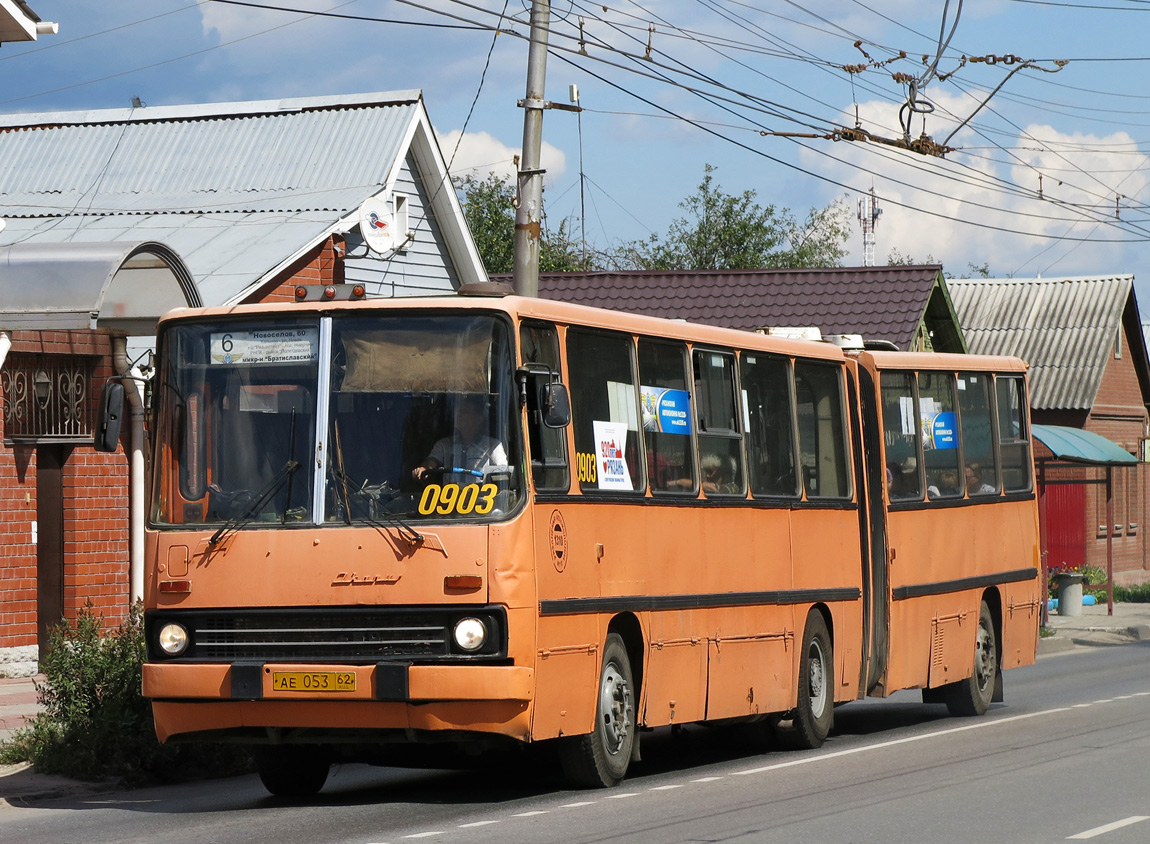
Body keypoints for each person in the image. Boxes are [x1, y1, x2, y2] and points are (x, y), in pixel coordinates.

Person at [412, 394, 507, 485]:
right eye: (457, 412)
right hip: (449, 500)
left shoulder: (493, 447)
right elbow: (431, 462)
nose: (458, 415)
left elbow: (503, 475)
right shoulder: (445, 445)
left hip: (482, 501)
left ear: (479, 418)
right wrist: (423, 469)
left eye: (464, 412)